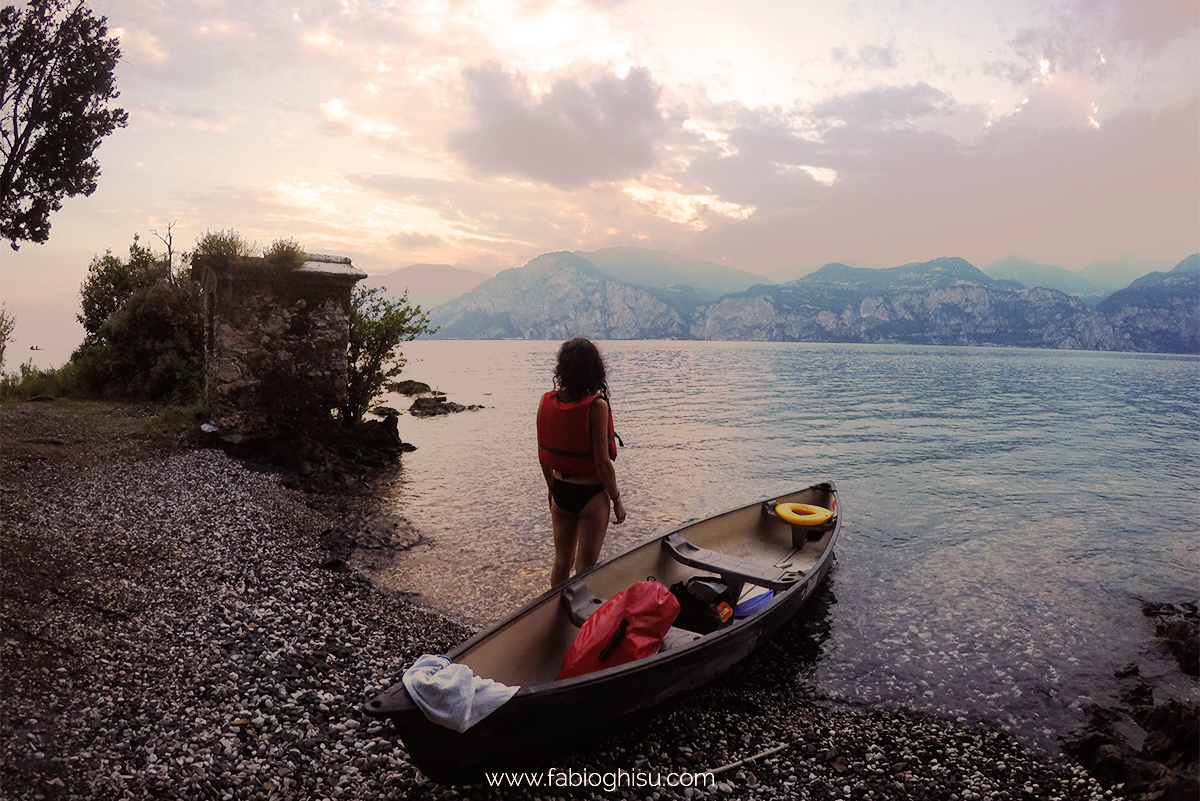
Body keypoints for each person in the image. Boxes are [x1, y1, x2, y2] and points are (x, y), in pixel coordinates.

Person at [537, 337, 626, 587]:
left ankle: (555, 619)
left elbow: (542, 453)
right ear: (594, 370)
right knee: (585, 569)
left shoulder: (546, 401)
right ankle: (580, 623)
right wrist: (616, 500)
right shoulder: (597, 406)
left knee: (561, 563)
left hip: (561, 491)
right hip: (591, 496)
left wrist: (551, 489)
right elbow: (602, 464)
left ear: (562, 369)